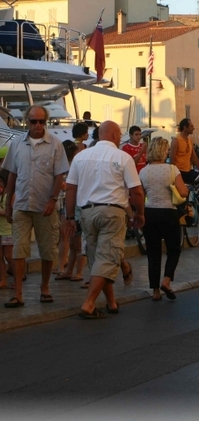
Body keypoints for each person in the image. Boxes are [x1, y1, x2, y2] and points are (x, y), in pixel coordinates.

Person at [64, 120, 145, 319]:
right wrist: (139, 214)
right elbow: (136, 191)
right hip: (112, 211)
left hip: (87, 212)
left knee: (97, 258)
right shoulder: (123, 157)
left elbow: (70, 189)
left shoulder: (80, 157)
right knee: (108, 257)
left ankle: (111, 302)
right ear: (116, 136)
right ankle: (89, 303)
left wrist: (69, 217)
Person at [2, 105, 69, 308]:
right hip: (22, 204)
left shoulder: (56, 145)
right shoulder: (17, 144)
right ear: (27, 121)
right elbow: (12, 174)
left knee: (48, 250)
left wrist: (52, 199)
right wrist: (8, 201)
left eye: (41, 121)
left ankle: (45, 287)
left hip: (44, 206)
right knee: (19, 250)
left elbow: (59, 176)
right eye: (34, 121)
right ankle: (19, 293)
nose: (38, 125)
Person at [140, 137, 187, 301]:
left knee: (153, 252)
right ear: (163, 150)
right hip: (168, 212)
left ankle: (155, 291)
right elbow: (183, 192)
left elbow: (141, 195)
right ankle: (166, 280)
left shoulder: (143, 171)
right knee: (174, 249)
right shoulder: (172, 169)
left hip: (150, 212)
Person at [55, 140, 86, 282]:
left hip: (77, 208)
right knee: (73, 242)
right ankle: (68, 270)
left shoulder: (77, 166)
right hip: (70, 208)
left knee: (78, 244)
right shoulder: (71, 165)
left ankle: (78, 272)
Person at [170, 118, 199, 185]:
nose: (193, 128)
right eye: (191, 126)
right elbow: (172, 161)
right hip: (179, 172)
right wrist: (175, 177)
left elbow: (194, 158)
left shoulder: (190, 140)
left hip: (188, 171)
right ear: (185, 128)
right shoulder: (176, 140)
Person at [0, 172, 12, 289]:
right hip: (0, 230)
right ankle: (3, 280)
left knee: (9, 256)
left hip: (8, 231)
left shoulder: (11, 195)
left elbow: (11, 212)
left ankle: (17, 275)